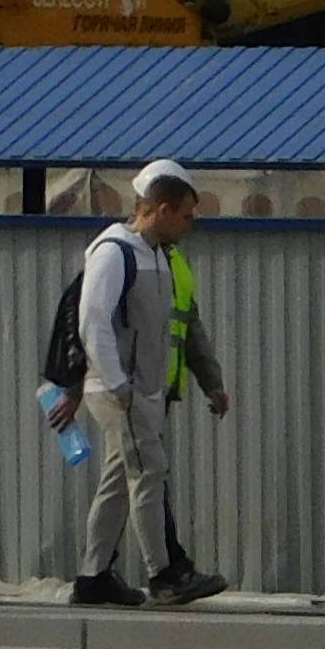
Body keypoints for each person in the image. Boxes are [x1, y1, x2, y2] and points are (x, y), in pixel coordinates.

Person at [62, 161, 229, 609]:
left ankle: (92, 576)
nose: (190, 225)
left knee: (118, 481)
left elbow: (182, 323)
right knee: (149, 472)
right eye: (186, 215)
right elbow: (92, 319)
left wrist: (205, 379)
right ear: (161, 209)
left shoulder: (155, 254)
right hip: (122, 391)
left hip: (143, 390)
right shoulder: (115, 251)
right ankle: (163, 576)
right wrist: (119, 384)